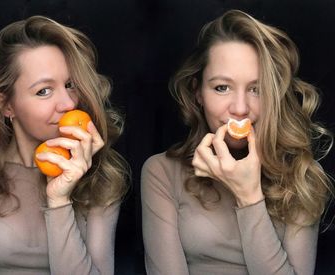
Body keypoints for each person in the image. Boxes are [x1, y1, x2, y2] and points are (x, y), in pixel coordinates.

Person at [141, 9, 333, 275]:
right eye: (222, 87)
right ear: (197, 92)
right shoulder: (161, 171)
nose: (240, 109)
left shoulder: (302, 174)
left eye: (257, 89)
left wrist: (249, 196)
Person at [0, 15, 129, 275]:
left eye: (70, 85)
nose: (68, 104)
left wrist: (59, 200)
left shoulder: (100, 180)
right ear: (5, 104)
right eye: (43, 91)